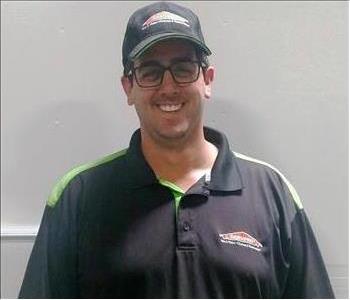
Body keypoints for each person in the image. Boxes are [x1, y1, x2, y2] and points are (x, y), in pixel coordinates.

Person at [19, 1, 335, 298]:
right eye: (150, 71)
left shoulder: (271, 193)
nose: (168, 86)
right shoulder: (78, 197)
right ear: (128, 87)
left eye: (183, 68)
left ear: (207, 80)